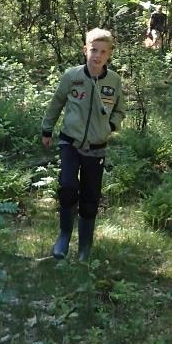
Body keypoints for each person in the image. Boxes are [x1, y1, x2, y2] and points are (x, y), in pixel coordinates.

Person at [41, 28, 125, 261]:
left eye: (103, 52)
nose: (97, 56)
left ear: (109, 55)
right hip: (70, 142)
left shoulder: (114, 81)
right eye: (93, 50)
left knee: (90, 195)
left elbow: (119, 110)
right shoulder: (72, 76)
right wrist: (47, 129)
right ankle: (64, 235)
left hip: (96, 147)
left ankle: (85, 246)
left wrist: (110, 127)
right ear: (85, 50)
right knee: (67, 185)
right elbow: (56, 103)